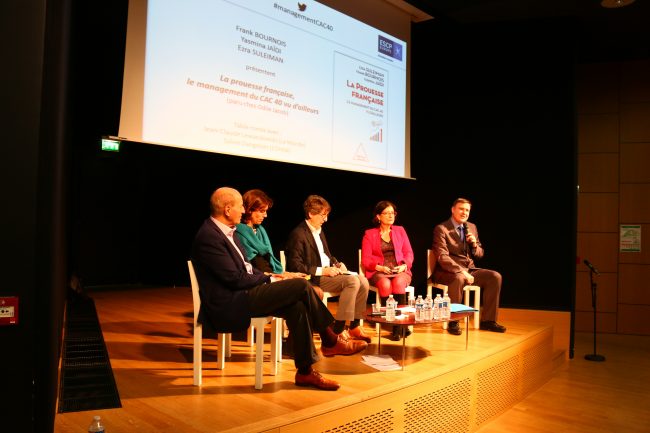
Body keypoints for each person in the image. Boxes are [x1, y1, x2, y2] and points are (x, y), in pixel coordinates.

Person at [191, 187, 367, 391]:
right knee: (301, 285)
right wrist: (270, 280)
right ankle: (329, 339)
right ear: (228, 209)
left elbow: (247, 270)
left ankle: (305, 373)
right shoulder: (209, 237)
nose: (243, 211)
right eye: (241, 207)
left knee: (297, 305)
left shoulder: (229, 232)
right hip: (230, 302)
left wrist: (272, 276)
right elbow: (235, 279)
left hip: (244, 292)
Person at [285, 194, 372, 344]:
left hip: (328, 273)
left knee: (363, 281)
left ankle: (354, 326)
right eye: (322, 215)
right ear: (311, 214)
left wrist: (337, 263)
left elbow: (326, 254)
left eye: (326, 215)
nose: (325, 219)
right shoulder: (298, 234)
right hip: (314, 278)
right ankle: (337, 330)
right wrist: (322, 270)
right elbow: (295, 265)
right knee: (352, 281)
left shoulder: (319, 230)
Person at [431, 197, 506, 335]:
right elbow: (442, 257)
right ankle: (453, 321)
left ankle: (488, 321)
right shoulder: (441, 228)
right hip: (447, 271)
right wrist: (461, 271)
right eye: (461, 209)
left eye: (467, 210)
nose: (464, 212)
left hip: (470, 269)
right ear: (453, 210)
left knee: (494, 277)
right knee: (459, 278)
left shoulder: (471, 227)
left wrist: (474, 245)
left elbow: (479, 254)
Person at [361, 200, 414, 341]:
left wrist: (404, 265)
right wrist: (379, 267)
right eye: (387, 213)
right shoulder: (369, 234)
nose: (391, 216)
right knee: (385, 285)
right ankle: (391, 322)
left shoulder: (400, 230)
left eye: (393, 213)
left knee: (397, 283)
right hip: (379, 271)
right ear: (378, 216)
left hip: (400, 270)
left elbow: (409, 253)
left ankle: (399, 326)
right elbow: (365, 260)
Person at [235, 189, 284, 275]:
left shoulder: (260, 230)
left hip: (269, 275)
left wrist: (287, 274)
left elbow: (268, 263)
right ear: (249, 210)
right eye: (262, 211)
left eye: (266, 211)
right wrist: (281, 277)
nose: (265, 215)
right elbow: (257, 267)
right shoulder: (239, 232)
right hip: (256, 280)